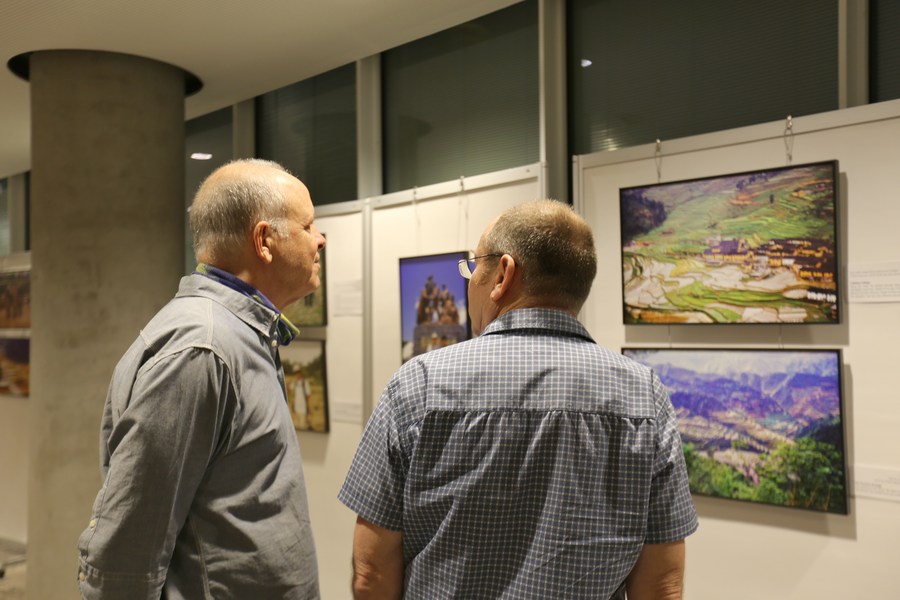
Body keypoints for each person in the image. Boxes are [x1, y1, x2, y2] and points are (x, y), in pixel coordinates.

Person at [338, 200, 698, 600]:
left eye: (474, 266)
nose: (469, 281)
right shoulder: (644, 395)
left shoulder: (418, 385)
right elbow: (662, 585)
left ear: (503, 274)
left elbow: (371, 573)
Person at [77, 159, 326, 599]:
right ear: (264, 241)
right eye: (308, 226)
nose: (320, 239)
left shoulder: (238, 337)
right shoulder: (202, 351)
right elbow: (127, 551)